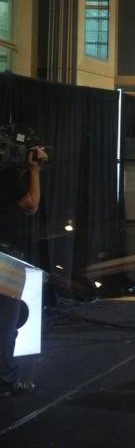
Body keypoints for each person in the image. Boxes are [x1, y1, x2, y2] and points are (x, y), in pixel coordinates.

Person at [0, 141, 48, 396]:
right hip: (4, 257)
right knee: (5, 323)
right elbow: (31, 206)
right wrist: (35, 171)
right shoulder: (8, 179)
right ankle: (6, 380)